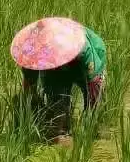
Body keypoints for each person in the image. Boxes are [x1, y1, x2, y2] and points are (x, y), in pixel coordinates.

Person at [10, 17, 107, 145]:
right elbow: (29, 85)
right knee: (57, 101)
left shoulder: (83, 48)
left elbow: (94, 85)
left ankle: (92, 131)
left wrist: (91, 118)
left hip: (83, 60)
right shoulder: (31, 53)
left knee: (92, 104)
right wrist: (31, 108)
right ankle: (61, 131)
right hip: (54, 64)